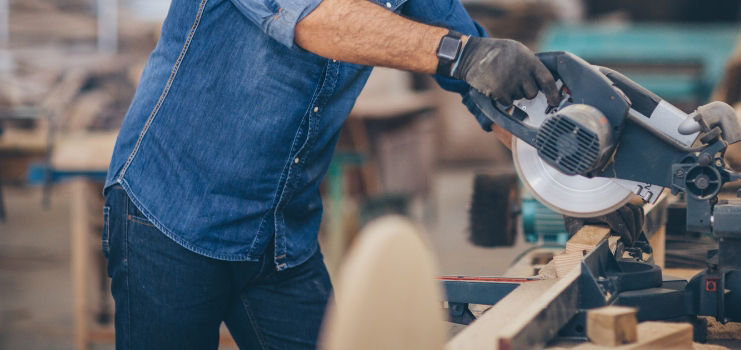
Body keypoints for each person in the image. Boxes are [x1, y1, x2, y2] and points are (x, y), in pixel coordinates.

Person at [101, 0, 559, 348]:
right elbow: (310, 18)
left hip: (281, 233)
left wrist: (564, 163)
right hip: (171, 213)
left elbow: (482, 81)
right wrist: (460, 54)